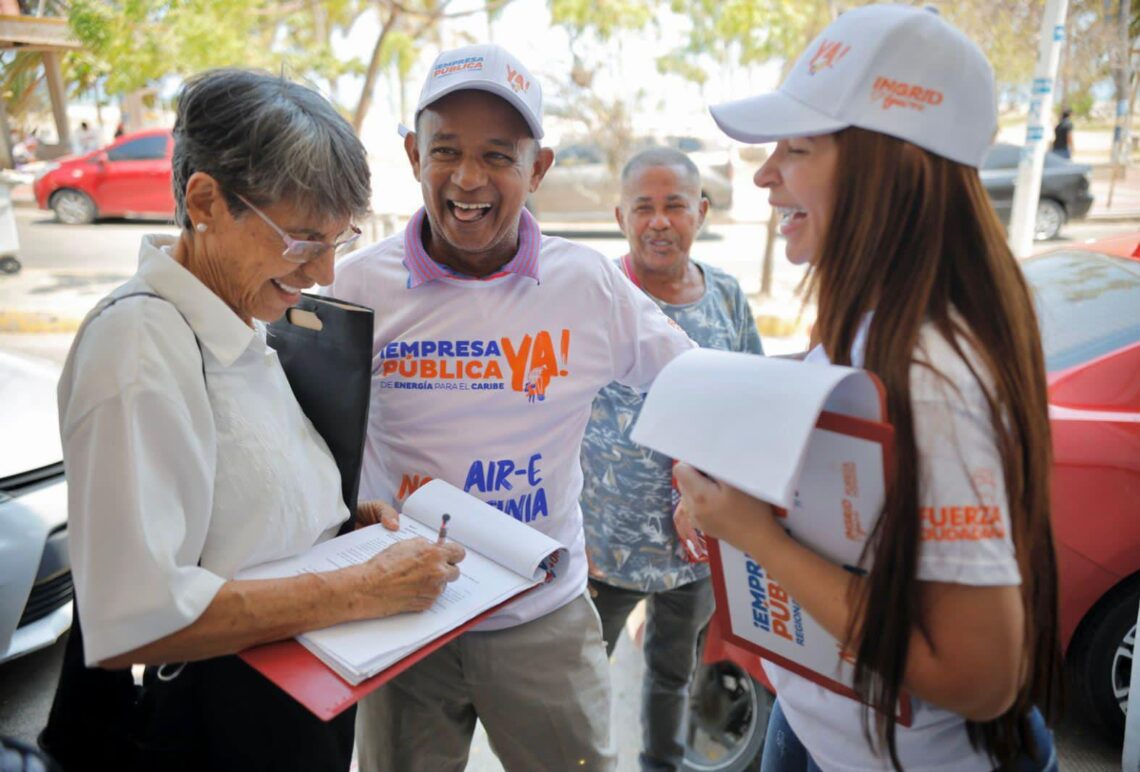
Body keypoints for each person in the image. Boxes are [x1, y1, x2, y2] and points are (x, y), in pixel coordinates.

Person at [679, 6, 1061, 771]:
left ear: (889, 165)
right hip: (823, 726)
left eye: (797, 147)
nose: (763, 174)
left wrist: (755, 535)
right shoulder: (876, 321)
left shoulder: (932, 376)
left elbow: (981, 679)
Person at [54, 69, 464, 772]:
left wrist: (333, 530)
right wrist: (360, 587)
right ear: (205, 200)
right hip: (213, 722)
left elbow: (231, 511)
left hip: (292, 696)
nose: (328, 272)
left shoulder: (238, 318)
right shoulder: (139, 349)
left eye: (340, 240)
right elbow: (134, 615)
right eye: (305, 239)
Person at [329, 43, 695, 772]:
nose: (468, 180)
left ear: (539, 168)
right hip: (403, 620)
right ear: (412, 154)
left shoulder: (585, 284)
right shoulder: (355, 290)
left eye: (499, 156)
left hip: (541, 618)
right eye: (446, 152)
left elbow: (690, 382)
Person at [581, 146, 763, 771]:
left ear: (702, 212)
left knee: (672, 675)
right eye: (644, 208)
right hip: (599, 546)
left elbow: (751, 404)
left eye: (675, 206)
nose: (660, 221)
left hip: (695, 548)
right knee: (575, 678)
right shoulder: (594, 293)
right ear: (621, 216)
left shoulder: (728, 298)